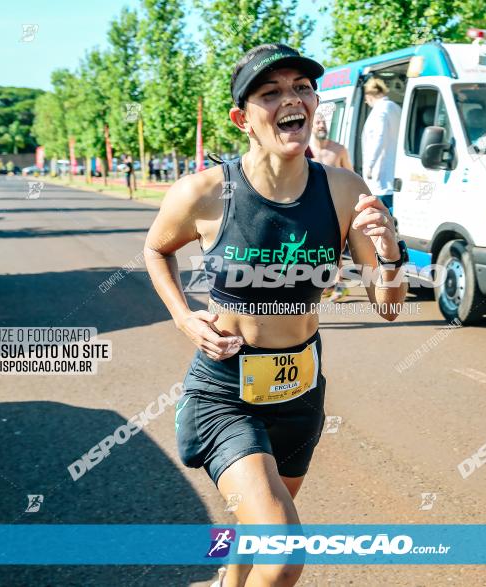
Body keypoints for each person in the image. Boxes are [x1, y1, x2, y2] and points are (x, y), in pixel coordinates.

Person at [144, 43, 407, 587]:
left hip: (300, 390)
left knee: (256, 524)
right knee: (284, 552)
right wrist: (183, 317)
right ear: (243, 119)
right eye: (272, 93)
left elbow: (387, 307)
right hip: (225, 391)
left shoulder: (343, 192)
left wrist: (388, 256)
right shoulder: (207, 193)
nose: (292, 100)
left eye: (302, 88)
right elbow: (156, 250)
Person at [307, 112, 354, 302]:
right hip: (310, 205)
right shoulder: (304, 151)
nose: (321, 126)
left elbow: (351, 175)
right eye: (317, 122)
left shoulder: (338, 150)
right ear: (310, 126)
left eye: (324, 123)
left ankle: (339, 284)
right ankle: (328, 284)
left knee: (335, 246)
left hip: (335, 204)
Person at [361, 77, 401, 213]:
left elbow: (379, 139)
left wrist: (369, 166)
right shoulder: (396, 107)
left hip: (381, 174)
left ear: (369, 96)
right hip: (395, 173)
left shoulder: (379, 111)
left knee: (384, 215)